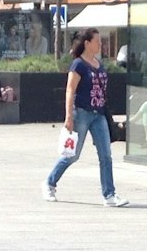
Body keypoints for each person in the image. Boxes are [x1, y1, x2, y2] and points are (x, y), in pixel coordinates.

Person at [44, 28, 126, 207]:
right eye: (97, 41)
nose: (100, 44)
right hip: (81, 113)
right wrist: (68, 116)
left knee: (106, 155)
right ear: (87, 43)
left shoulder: (99, 63)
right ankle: (50, 183)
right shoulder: (78, 65)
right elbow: (70, 90)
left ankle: (109, 195)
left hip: (99, 114)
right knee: (72, 155)